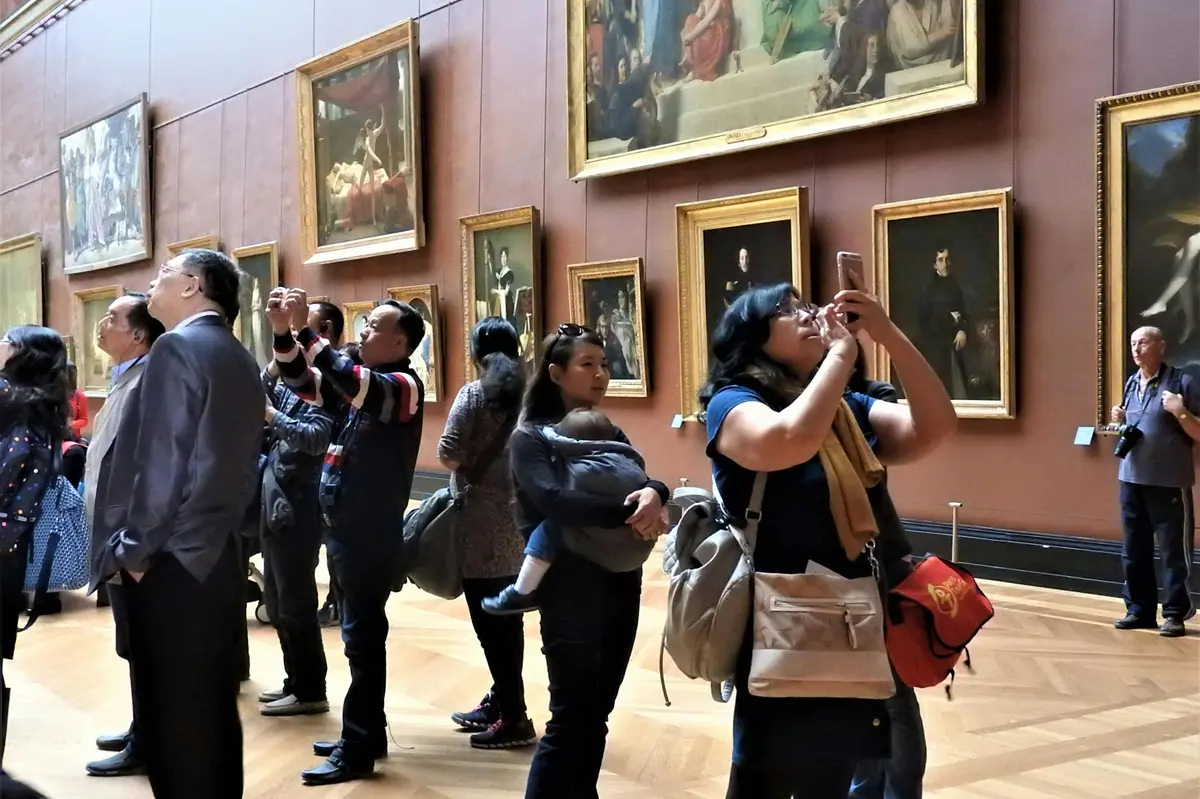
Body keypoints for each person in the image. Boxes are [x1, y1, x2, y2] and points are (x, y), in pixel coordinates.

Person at [700, 280, 956, 798]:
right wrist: (842, 353)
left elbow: (934, 426)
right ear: (752, 336)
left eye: (804, 304)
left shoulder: (845, 407)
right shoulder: (733, 402)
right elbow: (785, 440)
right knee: (762, 779)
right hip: (780, 622)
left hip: (850, 621)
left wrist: (887, 335)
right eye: (786, 309)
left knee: (831, 778)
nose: (806, 313)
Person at [89, 249, 264, 799]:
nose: (152, 285)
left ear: (192, 287)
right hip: (214, 554)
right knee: (209, 710)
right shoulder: (235, 352)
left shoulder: (177, 346)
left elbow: (162, 463)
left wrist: (134, 552)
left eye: (163, 275)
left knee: (173, 717)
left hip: (169, 559)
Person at [268, 288, 425, 786]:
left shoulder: (401, 387)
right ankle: (366, 732)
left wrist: (307, 330)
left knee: (361, 638)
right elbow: (303, 381)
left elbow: (343, 376)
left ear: (400, 342)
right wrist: (283, 333)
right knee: (359, 637)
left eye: (374, 326)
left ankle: (358, 748)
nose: (362, 331)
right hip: (344, 528)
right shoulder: (363, 386)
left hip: (369, 532)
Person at [511, 323, 669, 798]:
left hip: (620, 577)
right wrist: (632, 513)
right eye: (588, 365)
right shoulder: (531, 437)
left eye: (604, 365)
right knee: (571, 717)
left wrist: (655, 493)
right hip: (569, 583)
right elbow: (555, 501)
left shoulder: (604, 426)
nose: (601, 375)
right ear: (556, 373)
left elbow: (637, 471)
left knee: (596, 712)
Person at [438, 318, 536, 750]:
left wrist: (477, 472)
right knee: (506, 620)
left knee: (490, 624)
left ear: (477, 352)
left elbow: (448, 452)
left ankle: (514, 716)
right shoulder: (535, 397)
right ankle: (503, 699)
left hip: (479, 526)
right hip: (521, 523)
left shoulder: (474, 395)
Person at [83, 292, 164, 779]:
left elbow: (147, 469)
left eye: (111, 318)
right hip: (116, 538)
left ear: (138, 335)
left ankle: (150, 740)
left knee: (145, 643)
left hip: (132, 541)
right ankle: (142, 727)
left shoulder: (147, 382)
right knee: (132, 643)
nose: (102, 325)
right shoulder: (126, 378)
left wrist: (133, 542)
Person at [846, 342, 928, 799]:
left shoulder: (867, 400)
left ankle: (895, 793)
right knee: (859, 693)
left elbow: (914, 425)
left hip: (877, 564)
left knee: (893, 696)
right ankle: (863, 789)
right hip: (836, 569)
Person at [484, 407, 654, 615]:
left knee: (549, 528)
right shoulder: (630, 464)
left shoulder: (581, 470)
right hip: (637, 549)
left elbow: (557, 502)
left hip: (603, 555)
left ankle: (522, 591)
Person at [0, 326, 70, 766]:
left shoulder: (8, 398)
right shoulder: (42, 403)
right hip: (11, 547)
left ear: (21, 353)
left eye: (7, 339)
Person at [256, 342, 335, 717]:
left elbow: (317, 438)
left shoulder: (323, 388)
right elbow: (253, 393)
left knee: (296, 601)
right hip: (277, 502)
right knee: (276, 599)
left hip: (301, 508)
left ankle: (310, 690)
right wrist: (272, 369)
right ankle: (295, 680)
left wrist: (273, 417)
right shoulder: (287, 383)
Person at [1110, 326, 1200, 638]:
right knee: (1134, 549)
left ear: (1161, 346)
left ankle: (1175, 613)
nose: (1136, 348)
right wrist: (1120, 419)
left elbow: (1199, 433)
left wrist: (1181, 413)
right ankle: (1139, 609)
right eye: (1133, 343)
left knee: (1174, 551)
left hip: (1170, 482)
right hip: (1131, 479)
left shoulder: (1182, 382)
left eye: (1143, 342)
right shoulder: (1132, 382)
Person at [304, 300, 346, 629]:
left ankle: (337, 602)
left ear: (325, 329)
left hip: (331, 470)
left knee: (334, 545)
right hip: (316, 470)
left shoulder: (340, 370)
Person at [66, 362, 87, 438]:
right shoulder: (54, 394)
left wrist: (71, 424)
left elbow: (84, 420)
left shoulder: (80, 396)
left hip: (73, 438)